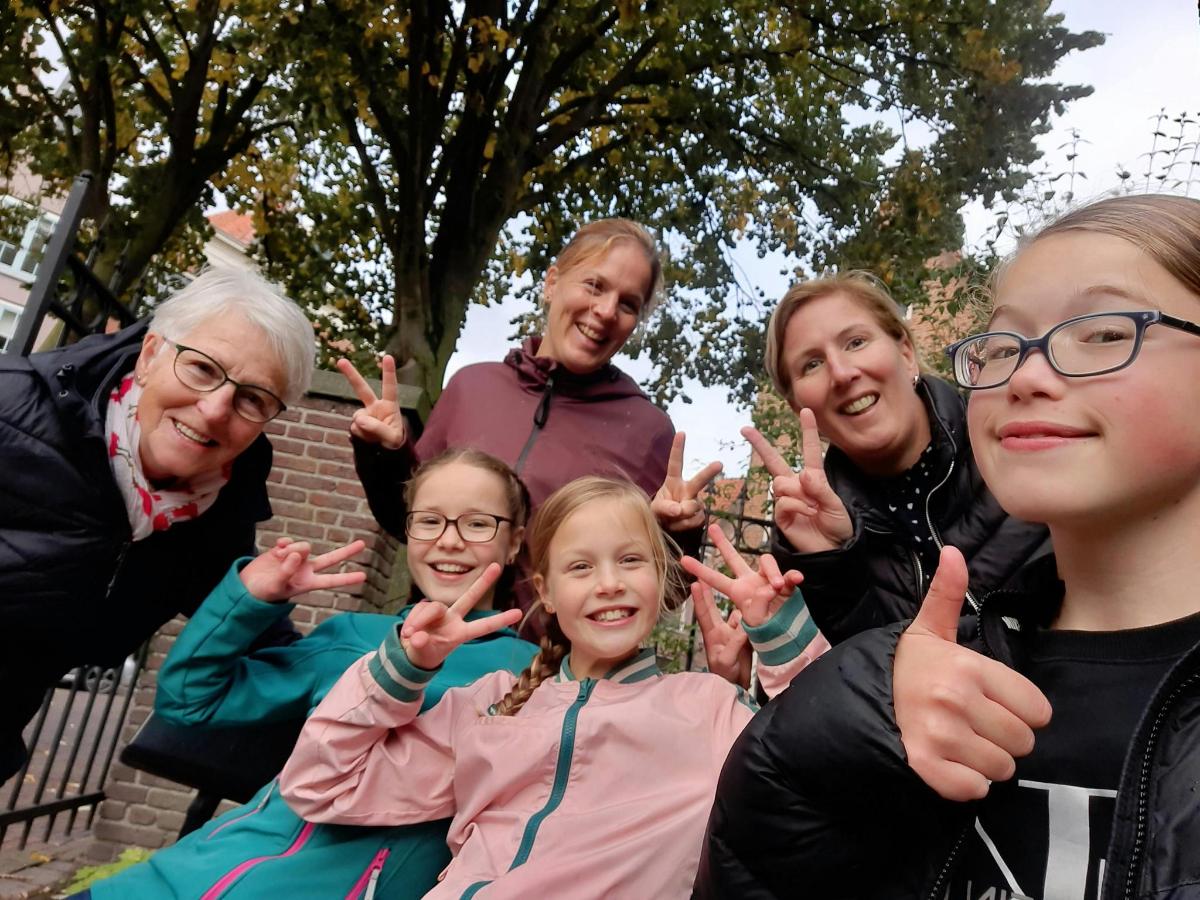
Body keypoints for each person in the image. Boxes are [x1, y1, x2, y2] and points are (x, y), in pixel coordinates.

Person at [695, 193, 1200, 898]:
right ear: (796, 402)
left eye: (1104, 332)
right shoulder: (802, 538)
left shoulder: (1032, 466)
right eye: (1003, 346)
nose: (1026, 374)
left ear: (906, 349)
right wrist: (833, 583)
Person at [278, 476, 828, 899]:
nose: (609, 582)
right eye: (581, 566)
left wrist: (781, 637)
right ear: (546, 590)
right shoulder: (490, 703)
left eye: (631, 560)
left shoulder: (706, 706)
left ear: (661, 577)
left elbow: (828, 763)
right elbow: (320, 783)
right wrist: (401, 667)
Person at [83, 449, 539, 899]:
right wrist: (249, 600)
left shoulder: (537, 674)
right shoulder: (354, 635)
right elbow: (188, 700)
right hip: (183, 878)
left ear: (515, 540)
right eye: (429, 520)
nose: (449, 540)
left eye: (478, 523)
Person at [0, 267, 313, 783]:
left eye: (252, 398)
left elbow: (261, 643)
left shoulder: (216, 513)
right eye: (202, 369)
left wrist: (396, 673)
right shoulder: (9, 409)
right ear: (149, 357)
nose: (214, 410)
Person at [343, 218, 719, 578]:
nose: (605, 311)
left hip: (559, 647)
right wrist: (386, 455)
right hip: (441, 637)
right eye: (594, 285)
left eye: (627, 304)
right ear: (552, 282)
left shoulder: (646, 432)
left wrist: (678, 535)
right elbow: (408, 524)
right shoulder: (471, 388)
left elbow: (662, 590)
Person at [744, 271, 1048, 644]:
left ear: (905, 353)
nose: (841, 373)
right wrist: (834, 567)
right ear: (799, 408)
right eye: (811, 364)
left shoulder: (1017, 439)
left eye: (855, 342)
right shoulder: (809, 550)